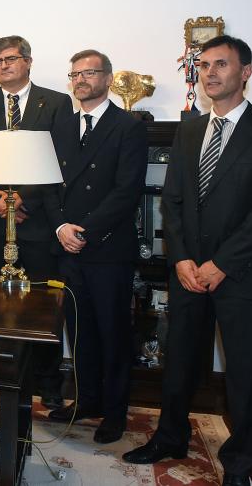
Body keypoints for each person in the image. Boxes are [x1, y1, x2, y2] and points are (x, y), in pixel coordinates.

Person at [123, 36, 252, 485]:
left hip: (241, 275)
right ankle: (169, 438)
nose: (210, 73)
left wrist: (219, 264)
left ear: (246, 72)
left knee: (242, 376)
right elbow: (172, 201)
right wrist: (180, 259)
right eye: (203, 66)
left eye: (221, 64)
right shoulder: (190, 130)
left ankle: (239, 465)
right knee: (178, 363)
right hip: (187, 273)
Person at [43, 49, 147, 445]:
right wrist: (59, 226)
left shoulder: (128, 126)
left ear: (107, 78)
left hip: (106, 249)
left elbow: (126, 192)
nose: (81, 80)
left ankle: (115, 412)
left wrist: (83, 230)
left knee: (113, 333)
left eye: (89, 72)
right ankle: (86, 400)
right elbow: (49, 183)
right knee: (78, 329)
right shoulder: (62, 126)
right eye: (75, 74)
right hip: (67, 246)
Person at [0, 35, 73, 410]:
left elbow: (60, 160)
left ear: (28, 62)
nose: (3, 66)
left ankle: (47, 380)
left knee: (42, 303)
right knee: (1, 302)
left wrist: (22, 198)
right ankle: (4, 374)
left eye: (10, 59)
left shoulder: (56, 103)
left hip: (39, 220)